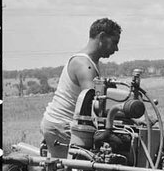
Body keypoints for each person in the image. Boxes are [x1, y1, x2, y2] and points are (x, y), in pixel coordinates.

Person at [40, 18, 122, 158]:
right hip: (62, 126)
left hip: (65, 124)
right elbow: (94, 107)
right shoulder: (84, 65)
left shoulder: (90, 62)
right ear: (102, 37)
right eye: (114, 42)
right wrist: (125, 111)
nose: (116, 48)